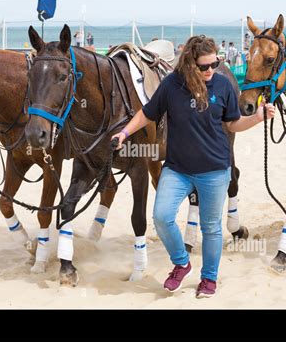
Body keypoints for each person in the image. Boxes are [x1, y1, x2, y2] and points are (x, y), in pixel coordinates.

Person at [111, 35, 275, 298]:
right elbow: (147, 113)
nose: (211, 71)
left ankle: (209, 278)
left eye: (215, 64)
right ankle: (182, 263)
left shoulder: (222, 85)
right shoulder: (172, 85)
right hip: (177, 169)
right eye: (204, 66)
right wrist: (124, 133)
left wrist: (256, 117)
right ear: (190, 64)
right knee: (161, 217)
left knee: (210, 227)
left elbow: (233, 123)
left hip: (214, 170)